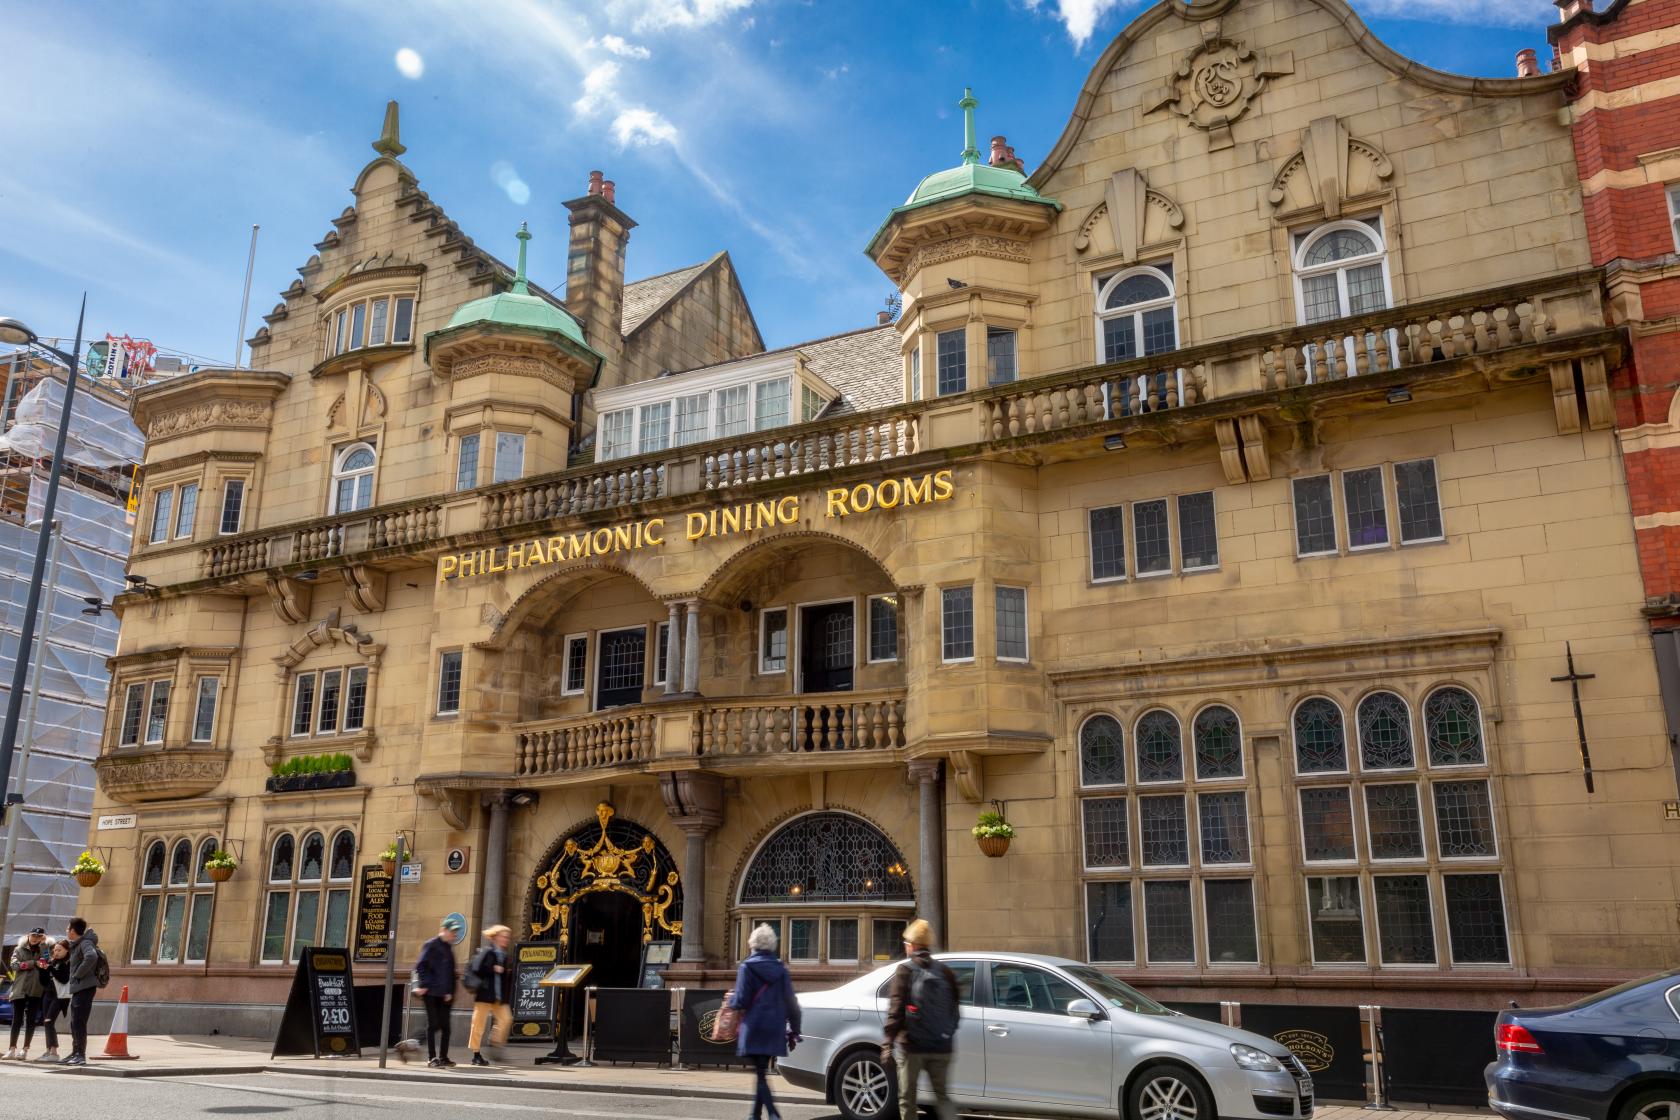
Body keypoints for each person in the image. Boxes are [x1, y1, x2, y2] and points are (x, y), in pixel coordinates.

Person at [883, 918, 960, 1120]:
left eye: (906, 944)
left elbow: (896, 1009)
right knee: (942, 1097)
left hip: (912, 1047)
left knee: (907, 1099)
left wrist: (887, 1043)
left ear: (913, 946)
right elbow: (956, 1010)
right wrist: (946, 1033)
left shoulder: (905, 970)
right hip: (942, 1047)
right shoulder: (945, 972)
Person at [729, 923, 802, 1120]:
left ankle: (773, 1113)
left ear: (753, 944)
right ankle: (755, 1115)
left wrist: (730, 999)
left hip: (754, 1027)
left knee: (760, 1074)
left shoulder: (747, 967)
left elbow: (742, 1000)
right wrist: (795, 1029)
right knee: (761, 1071)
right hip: (774, 1029)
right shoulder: (781, 970)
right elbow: (792, 1002)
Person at [413, 917, 461, 1067]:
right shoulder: (431, 945)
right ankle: (432, 1058)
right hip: (432, 993)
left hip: (445, 995)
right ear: (444, 930)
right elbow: (421, 966)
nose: (455, 935)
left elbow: (450, 974)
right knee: (432, 1025)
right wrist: (426, 984)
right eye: (453, 931)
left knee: (446, 1028)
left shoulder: (448, 948)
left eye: (456, 932)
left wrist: (450, 992)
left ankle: (444, 1057)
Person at [464, 925, 512, 1067]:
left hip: (498, 997)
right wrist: (493, 969)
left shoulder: (503, 955)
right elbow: (476, 968)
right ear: (495, 937)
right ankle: (476, 1054)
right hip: (485, 995)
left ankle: (495, 1041)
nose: (506, 939)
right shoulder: (487, 952)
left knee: (506, 1019)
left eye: (507, 937)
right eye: (503, 936)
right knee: (478, 1025)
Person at [3, 928, 49, 1060]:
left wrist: (44, 945)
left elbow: (46, 963)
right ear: (28, 936)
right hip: (20, 989)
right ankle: (11, 1049)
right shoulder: (19, 949)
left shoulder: (43, 949)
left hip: (35, 989)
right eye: (33, 935)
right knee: (16, 1020)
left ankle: (25, 1049)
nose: (35, 938)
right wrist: (33, 963)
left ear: (42, 937)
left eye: (39, 936)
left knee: (31, 1021)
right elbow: (15, 965)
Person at [62, 917, 101, 1067]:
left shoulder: (85, 943)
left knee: (79, 1022)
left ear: (72, 930)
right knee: (74, 1022)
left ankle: (80, 1054)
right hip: (79, 988)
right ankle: (75, 1052)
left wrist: (78, 974)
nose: (66, 931)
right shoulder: (77, 944)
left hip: (85, 988)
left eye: (67, 929)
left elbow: (92, 956)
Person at [35, 939, 68, 1063]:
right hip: (48, 994)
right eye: (55, 950)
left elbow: (64, 979)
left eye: (60, 950)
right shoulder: (52, 961)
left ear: (67, 950)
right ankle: (49, 1051)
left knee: (49, 1021)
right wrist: (42, 969)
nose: (56, 952)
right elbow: (44, 982)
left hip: (59, 996)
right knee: (46, 1022)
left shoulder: (67, 963)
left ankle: (54, 1052)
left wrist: (51, 969)